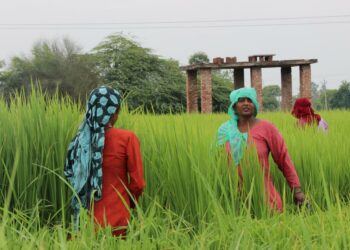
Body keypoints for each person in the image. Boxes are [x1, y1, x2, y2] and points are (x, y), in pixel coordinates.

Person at [64, 86, 145, 237]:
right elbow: (138, 184)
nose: (117, 116)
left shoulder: (79, 142)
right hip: (116, 223)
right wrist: (130, 203)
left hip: (83, 225)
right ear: (112, 114)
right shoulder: (127, 138)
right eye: (117, 112)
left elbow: (71, 176)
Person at [218, 87, 305, 212]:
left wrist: (296, 189)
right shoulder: (225, 131)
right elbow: (218, 163)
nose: (246, 103)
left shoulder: (267, 128)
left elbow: (283, 158)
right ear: (234, 106)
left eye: (250, 100)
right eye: (241, 100)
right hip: (235, 201)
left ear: (255, 105)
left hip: (266, 200)